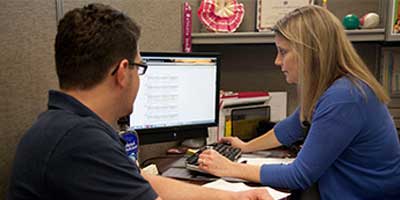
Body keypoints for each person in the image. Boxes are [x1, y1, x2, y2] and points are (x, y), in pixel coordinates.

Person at [7, 3, 271, 200]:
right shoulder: (80, 140)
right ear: (123, 72)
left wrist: (234, 197)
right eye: (139, 67)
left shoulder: (65, 124)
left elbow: (143, 181)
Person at [198, 5, 400, 199]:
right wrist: (244, 147)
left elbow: (299, 175)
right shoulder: (331, 87)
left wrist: (230, 168)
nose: (277, 61)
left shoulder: (344, 97)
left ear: (311, 52)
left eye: (283, 51)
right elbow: (291, 128)